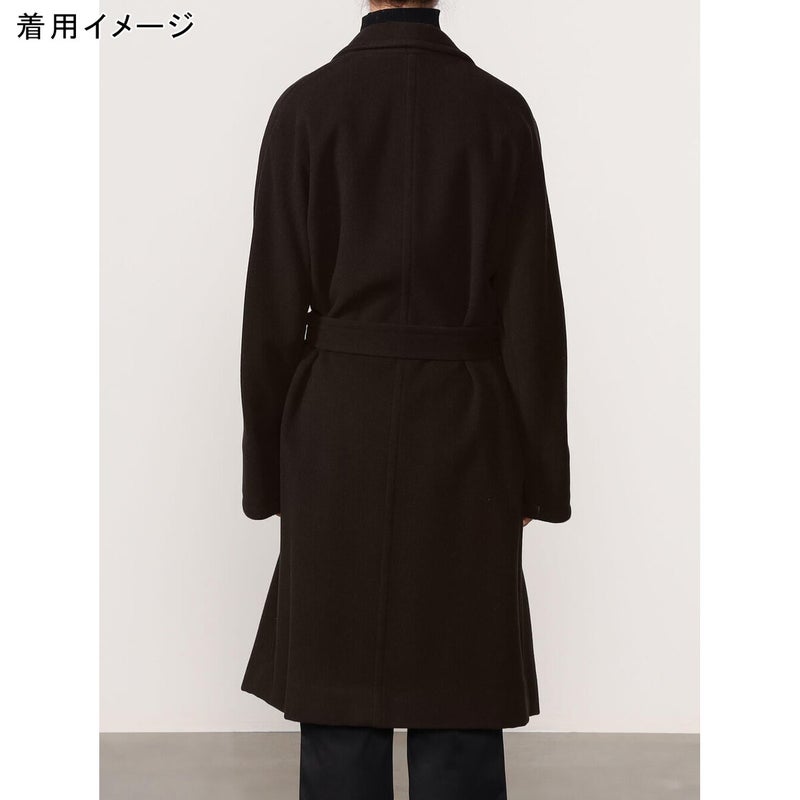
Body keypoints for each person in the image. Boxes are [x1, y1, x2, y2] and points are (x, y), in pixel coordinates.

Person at [238, 1, 571, 797]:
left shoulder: (305, 109)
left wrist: (266, 475)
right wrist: (539, 478)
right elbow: (532, 312)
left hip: (336, 428)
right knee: (459, 705)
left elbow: (271, 311)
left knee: (338, 708)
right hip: (466, 425)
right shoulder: (500, 113)